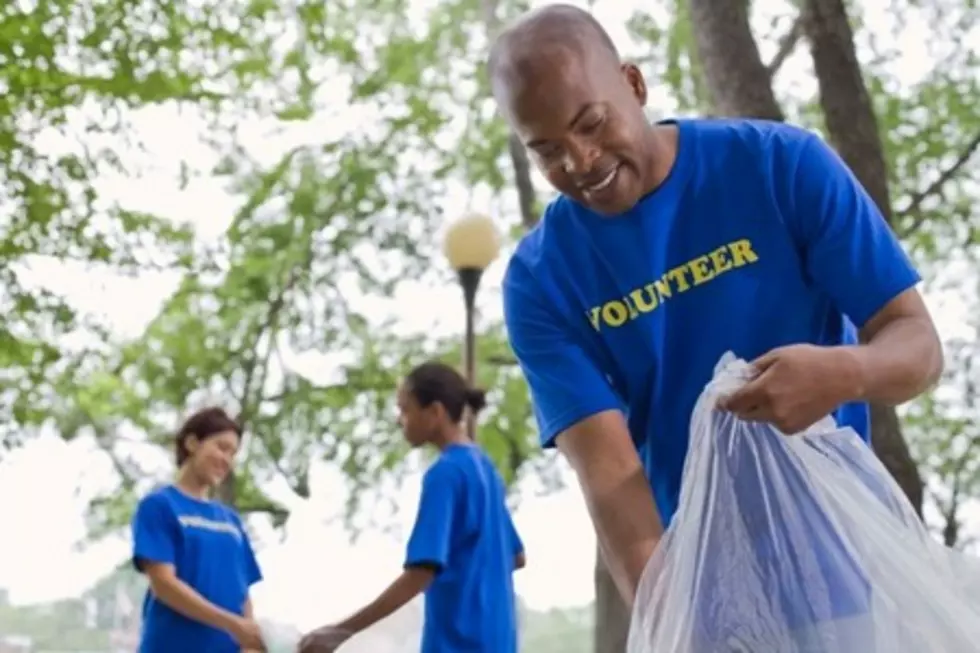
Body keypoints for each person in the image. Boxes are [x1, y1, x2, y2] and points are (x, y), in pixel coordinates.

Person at [491, 1, 942, 616]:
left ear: (633, 84)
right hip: (709, 589)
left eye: (592, 124)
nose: (580, 161)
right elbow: (611, 478)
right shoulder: (541, 280)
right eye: (547, 150)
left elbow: (916, 345)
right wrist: (669, 622)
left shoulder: (779, 167)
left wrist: (841, 373)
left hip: (852, 565)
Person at [299, 361, 525, 653]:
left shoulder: (446, 473)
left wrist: (341, 631)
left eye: (405, 410)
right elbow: (516, 556)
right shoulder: (485, 470)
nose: (400, 420)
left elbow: (421, 571)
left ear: (435, 412)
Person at [131, 406, 266, 652]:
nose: (227, 460)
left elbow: (242, 591)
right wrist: (233, 625)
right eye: (221, 447)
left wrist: (250, 644)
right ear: (192, 443)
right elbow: (163, 585)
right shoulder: (160, 506)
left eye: (233, 453)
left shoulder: (232, 521)